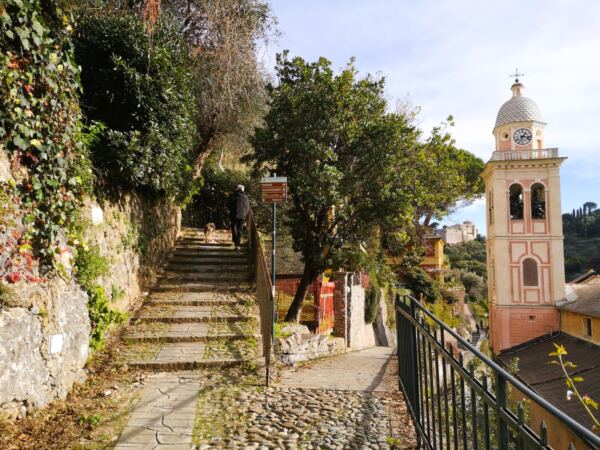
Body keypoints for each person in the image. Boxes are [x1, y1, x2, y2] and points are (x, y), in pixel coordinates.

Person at [227, 184, 250, 250]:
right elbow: (247, 207)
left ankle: (235, 241)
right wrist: (245, 214)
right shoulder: (245, 197)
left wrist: (232, 210)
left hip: (233, 215)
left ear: (237, 189)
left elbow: (228, 205)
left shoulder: (233, 196)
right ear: (243, 190)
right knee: (240, 230)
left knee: (234, 228)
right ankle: (238, 244)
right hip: (242, 216)